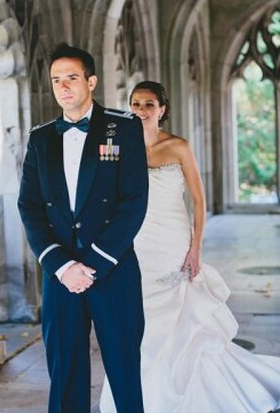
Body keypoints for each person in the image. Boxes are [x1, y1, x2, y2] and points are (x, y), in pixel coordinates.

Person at [100, 80, 280, 412]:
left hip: (173, 240)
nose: (141, 110)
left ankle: (190, 394)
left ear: (162, 109)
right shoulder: (119, 147)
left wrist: (195, 248)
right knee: (139, 319)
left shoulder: (179, 146)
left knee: (181, 318)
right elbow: (106, 193)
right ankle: (141, 394)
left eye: (149, 104)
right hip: (136, 242)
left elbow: (198, 200)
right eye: (136, 104)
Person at [18, 43, 149, 412]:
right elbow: (29, 206)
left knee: (124, 373)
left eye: (72, 77)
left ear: (91, 81)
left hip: (113, 269)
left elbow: (133, 202)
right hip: (61, 277)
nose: (63, 86)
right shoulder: (40, 138)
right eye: (56, 80)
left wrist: (93, 263)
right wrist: (62, 266)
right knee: (65, 375)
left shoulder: (123, 129)